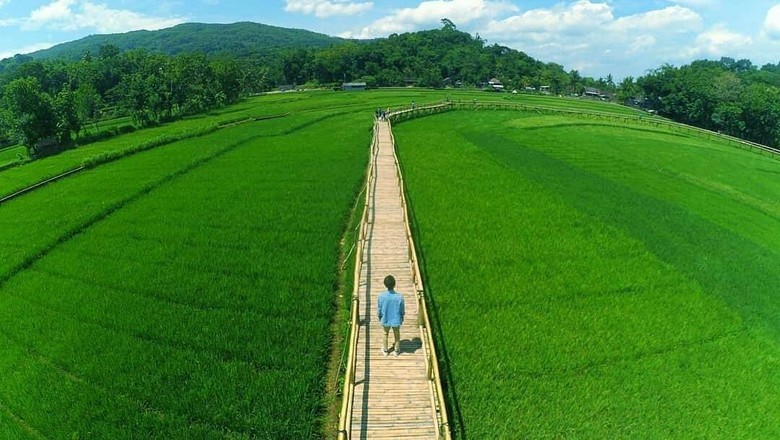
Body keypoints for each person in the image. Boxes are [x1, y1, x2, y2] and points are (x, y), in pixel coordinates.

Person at [377, 274, 404, 356]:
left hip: (385, 318)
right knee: (396, 334)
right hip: (396, 319)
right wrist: (402, 316)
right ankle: (396, 350)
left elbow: (379, 308)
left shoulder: (381, 296)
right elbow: (402, 309)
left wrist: (379, 316)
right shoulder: (399, 297)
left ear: (385, 284)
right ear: (394, 284)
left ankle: (385, 350)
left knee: (385, 333)